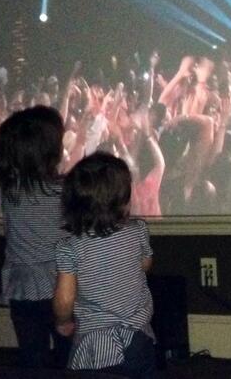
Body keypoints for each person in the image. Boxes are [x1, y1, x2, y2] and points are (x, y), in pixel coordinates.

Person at [53, 151, 156, 379]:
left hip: (96, 346)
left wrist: (63, 321)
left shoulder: (69, 247)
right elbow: (145, 264)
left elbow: (65, 299)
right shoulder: (138, 230)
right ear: (122, 200)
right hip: (139, 337)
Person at [0, 105, 70, 368]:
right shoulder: (63, 190)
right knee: (71, 357)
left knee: (32, 359)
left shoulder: (10, 190)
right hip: (62, 286)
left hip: (24, 288)